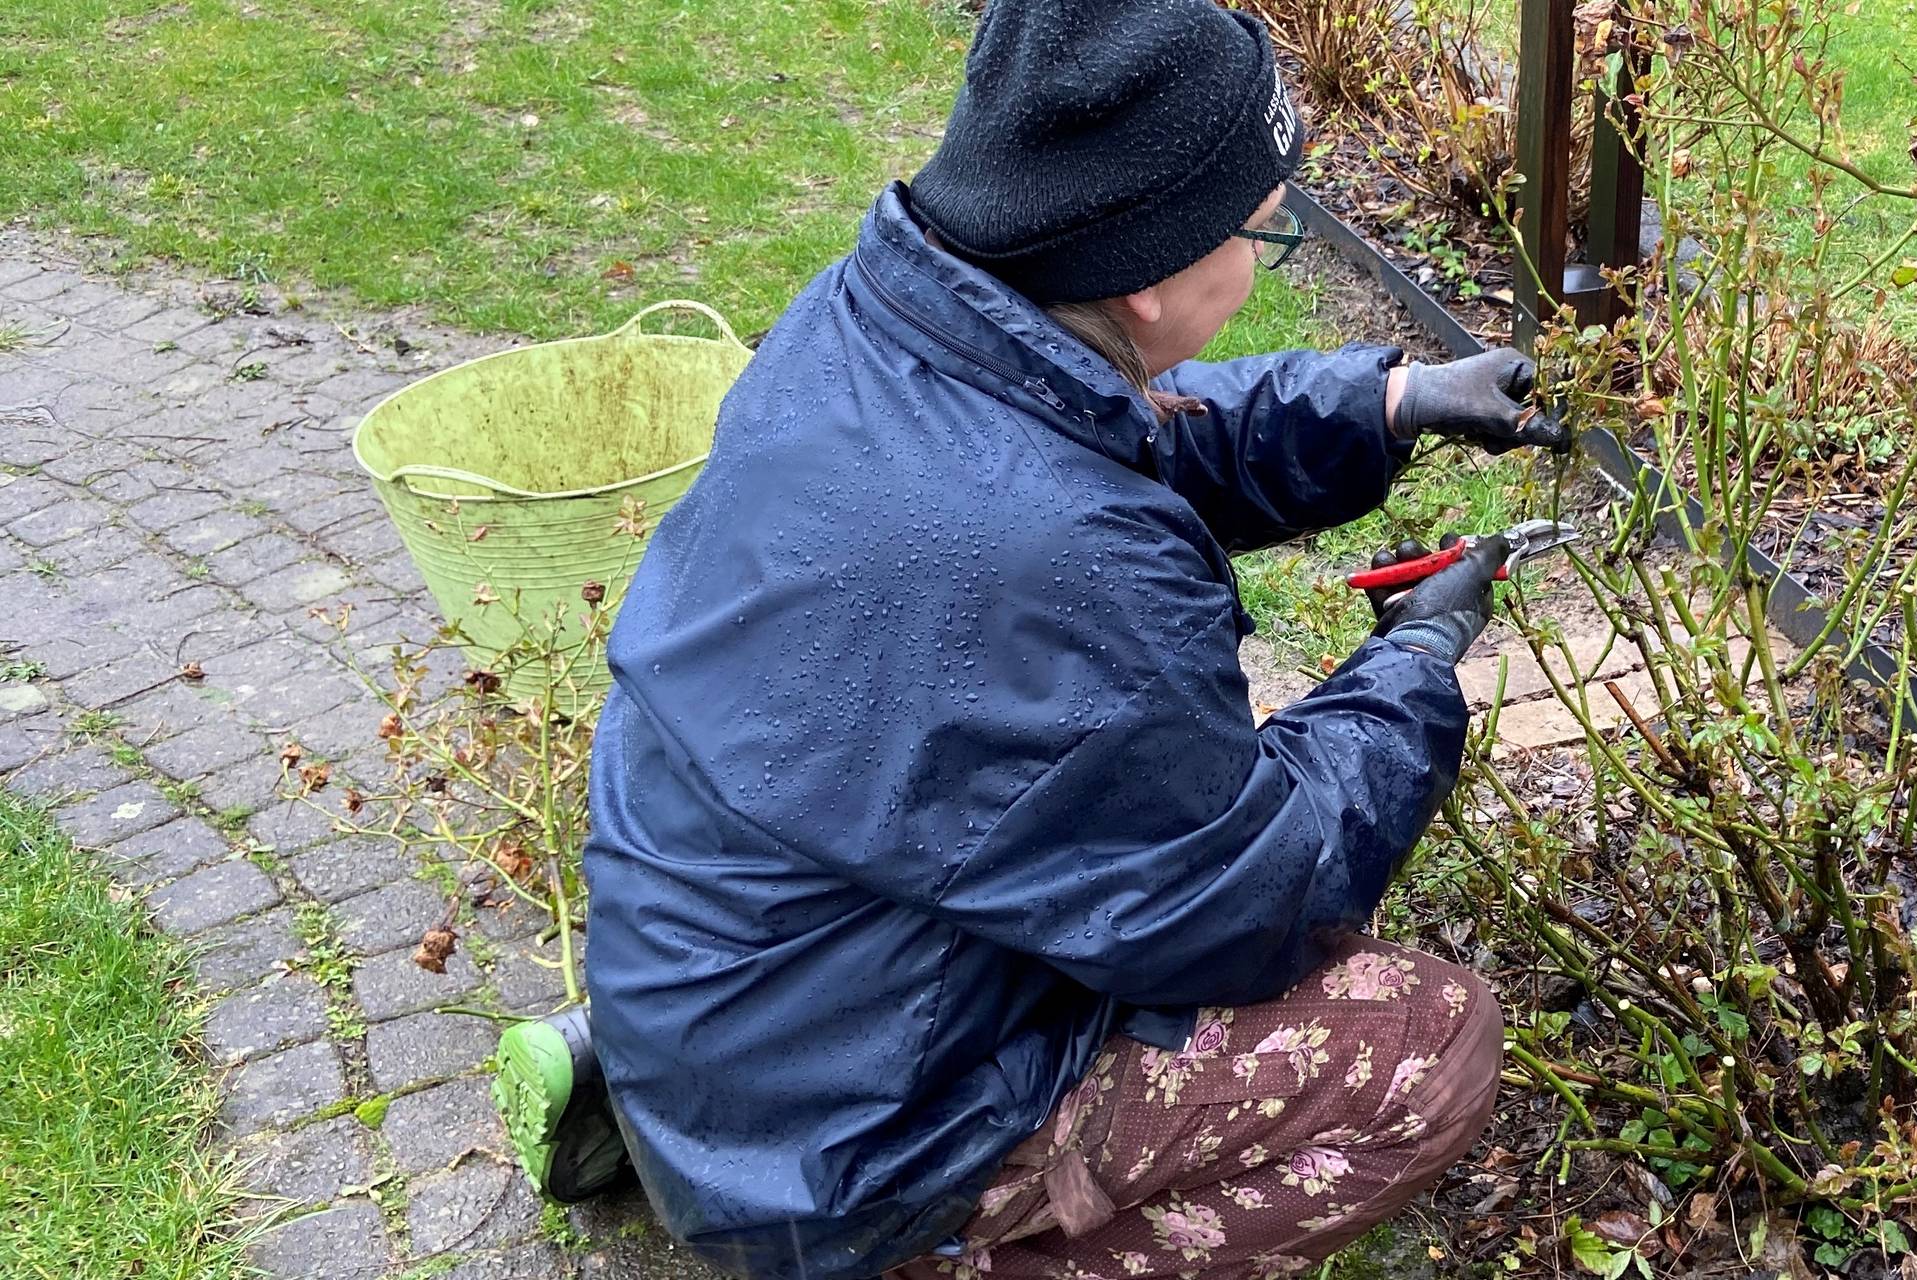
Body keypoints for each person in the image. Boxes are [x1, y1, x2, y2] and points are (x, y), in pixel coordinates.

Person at [482, 1, 1567, 1277]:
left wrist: (1383, 402)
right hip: (844, 1159)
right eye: (1262, 229)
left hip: (724, 984)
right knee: (1428, 1048)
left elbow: (1107, 433)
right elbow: (1254, 895)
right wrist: (1415, 668)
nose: (1266, 243)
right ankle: (933, 1253)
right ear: (1151, 278)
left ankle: (686, 1097)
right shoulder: (1067, 565)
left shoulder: (873, 326)